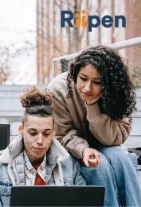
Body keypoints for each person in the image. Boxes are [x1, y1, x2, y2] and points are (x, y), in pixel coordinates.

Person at [48, 45, 141, 206]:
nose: (87, 88)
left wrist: (92, 106)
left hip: (107, 145)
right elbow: (61, 134)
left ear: (107, 83)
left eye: (97, 82)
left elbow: (117, 137)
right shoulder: (57, 89)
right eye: (83, 78)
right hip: (73, 150)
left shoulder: (115, 91)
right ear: (75, 74)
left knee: (122, 159)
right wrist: (83, 149)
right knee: (99, 165)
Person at [0, 86, 85, 206]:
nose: (40, 140)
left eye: (46, 133)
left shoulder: (70, 165)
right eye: (33, 133)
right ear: (21, 130)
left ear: (54, 132)